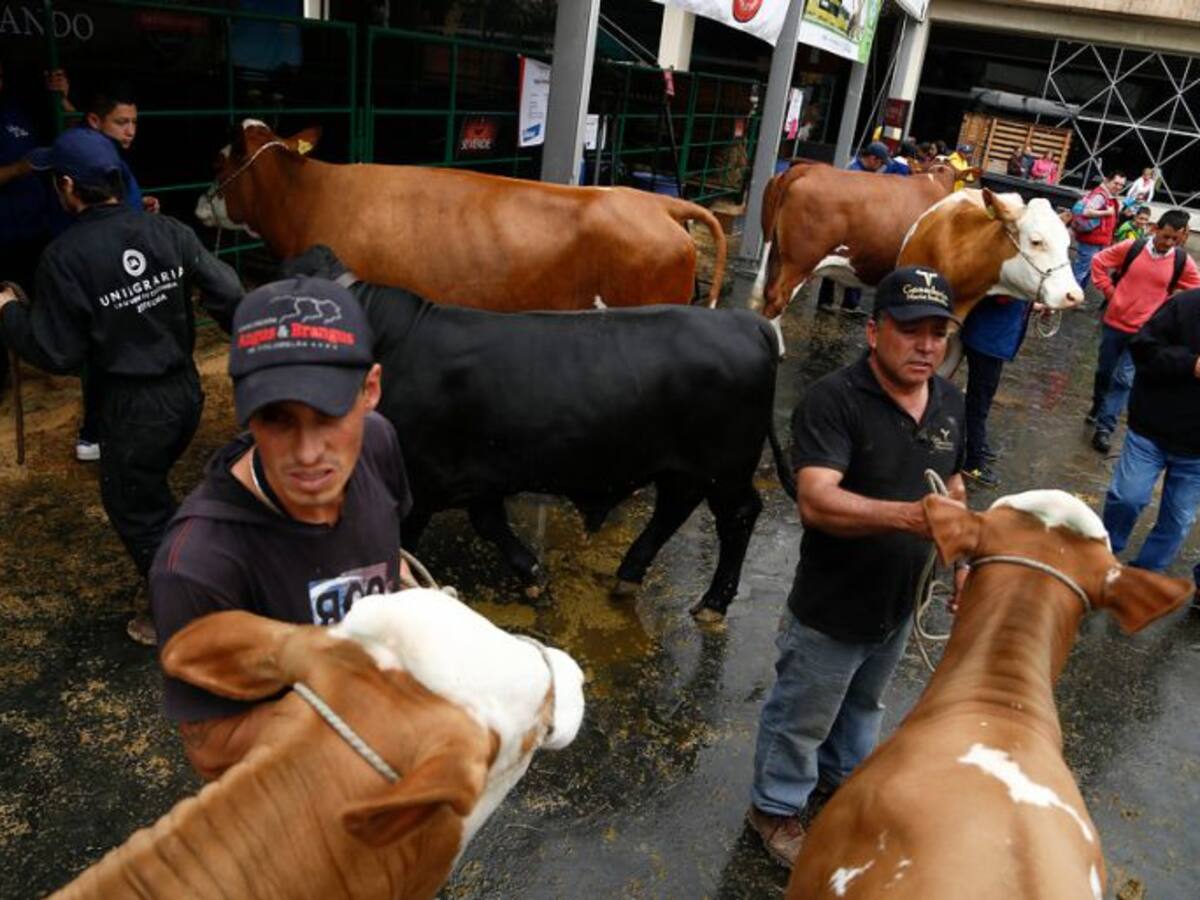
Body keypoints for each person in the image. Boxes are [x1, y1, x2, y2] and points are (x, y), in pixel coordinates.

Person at [149, 276, 414, 780]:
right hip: (295, 792)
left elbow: (390, 556)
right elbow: (211, 747)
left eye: (330, 413)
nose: (309, 454)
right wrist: (365, 704)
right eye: (277, 419)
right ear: (245, 412)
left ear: (370, 391)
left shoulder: (377, 444)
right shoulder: (197, 566)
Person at [746, 266, 967, 867]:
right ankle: (773, 808)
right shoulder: (835, 400)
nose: (925, 346)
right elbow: (816, 499)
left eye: (937, 332)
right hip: (833, 603)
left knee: (864, 704)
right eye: (909, 330)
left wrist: (960, 556)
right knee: (802, 713)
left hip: (900, 601)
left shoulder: (949, 399)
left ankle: (845, 784)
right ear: (874, 331)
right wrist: (909, 519)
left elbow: (953, 480)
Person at [0, 127, 242, 645]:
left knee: (137, 508)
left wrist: (10, 314)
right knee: (153, 489)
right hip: (184, 391)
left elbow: (57, 352)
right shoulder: (169, 231)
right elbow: (228, 291)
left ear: (67, 186)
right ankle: (192, 570)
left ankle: (181, 607)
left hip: (132, 408)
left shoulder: (64, 257)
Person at [70, 82, 162, 461]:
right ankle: (93, 433)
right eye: (121, 122)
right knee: (107, 350)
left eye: (134, 122)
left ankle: (102, 430)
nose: (130, 130)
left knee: (120, 346)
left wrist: (141, 210)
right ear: (95, 121)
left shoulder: (109, 154)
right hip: (107, 263)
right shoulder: (92, 160)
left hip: (121, 257)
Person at [1101, 288, 1200, 577]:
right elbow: (1143, 348)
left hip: (1196, 454)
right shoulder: (1186, 305)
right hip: (1151, 431)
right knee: (1127, 498)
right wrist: (1189, 364)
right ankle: (1104, 556)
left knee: (1178, 520)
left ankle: (1141, 577)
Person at [1087, 209, 1198, 453]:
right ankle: (1098, 405)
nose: (1168, 243)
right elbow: (1098, 262)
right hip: (1114, 323)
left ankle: (1105, 428)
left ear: (1183, 237)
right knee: (1104, 371)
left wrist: (1171, 314)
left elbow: (1195, 292)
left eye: (1175, 239)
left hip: (1145, 333)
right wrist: (1109, 292)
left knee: (1124, 379)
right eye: (1165, 236)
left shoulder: (1181, 262)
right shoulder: (1132, 248)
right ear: (1155, 228)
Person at [819, 141, 906, 315]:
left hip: (854, 225)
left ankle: (844, 303)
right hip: (849, 226)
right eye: (881, 163)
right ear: (873, 159)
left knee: (849, 264)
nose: (881, 167)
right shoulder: (855, 173)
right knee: (839, 263)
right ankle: (834, 302)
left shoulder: (857, 170)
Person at [959, 295, 1036, 488]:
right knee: (979, 402)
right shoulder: (1010, 266)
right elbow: (1003, 296)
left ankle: (976, 444)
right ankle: (973, 461)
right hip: (988, 340)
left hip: (993, 339)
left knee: (981, 399)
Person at [1070, 169, 1126, 292]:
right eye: (1116, 183)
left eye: (1121, 185)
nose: (1118, 187)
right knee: (1081, 271)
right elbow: (1086, 211)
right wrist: (1107, 212)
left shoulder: (1107, 196)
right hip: (1091, 240)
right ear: (1107, 181)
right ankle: (1070, 297)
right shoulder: (1100, 196)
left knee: (1087, 270)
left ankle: (1077, 296)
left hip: (1096, 240)